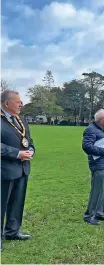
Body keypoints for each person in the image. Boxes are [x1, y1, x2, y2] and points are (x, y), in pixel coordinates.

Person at [1, 90, 35, 251]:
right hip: (4, 170)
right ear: (6, 104)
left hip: (22, 169)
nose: (21, 104)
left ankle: (12, 231)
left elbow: (28, 140)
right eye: (17, 101)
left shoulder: (20, 120)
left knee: (17, 202)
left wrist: (31, 151)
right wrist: (17, 153)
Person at [82, 109, 104, 225]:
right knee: (96, 191)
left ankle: (99, 213)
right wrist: (102, 151)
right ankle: (89, 215)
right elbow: (86, 146)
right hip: (98, 164)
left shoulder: (103, 129)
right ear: (101, 120)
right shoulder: (90, 130)